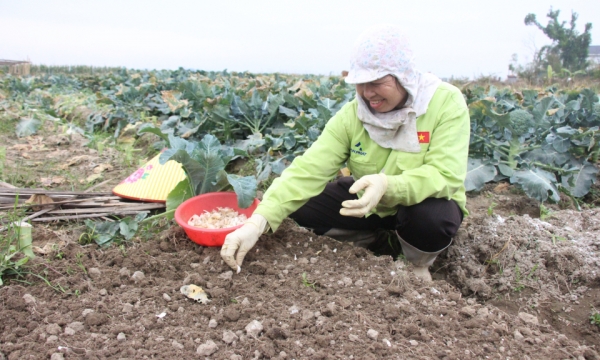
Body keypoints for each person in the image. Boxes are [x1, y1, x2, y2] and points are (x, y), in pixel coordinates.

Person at [221, 24, 470, 282]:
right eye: (360, 83)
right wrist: (257, 221)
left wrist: (387, 184)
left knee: (433, 218)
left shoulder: (444, 103)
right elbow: (308, 169)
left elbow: (445, 175)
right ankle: (373, 240)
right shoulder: (353, 114)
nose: (367, 93)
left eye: (376, 82)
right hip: (367, 204)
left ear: (403, 76)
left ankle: (417, 263)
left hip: (419, 203)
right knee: (300, 206)